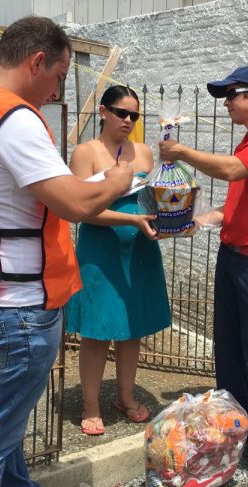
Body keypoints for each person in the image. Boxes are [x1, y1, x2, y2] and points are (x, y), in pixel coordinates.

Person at [0, 17, 132, 487]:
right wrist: (120, 181)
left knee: (4, 430)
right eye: (59, 77)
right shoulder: (12, 118)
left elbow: (13, 196)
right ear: (36, 61)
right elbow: (77, 205)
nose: (56, 90)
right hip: (17, 303)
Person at [159, 65, 248, 487]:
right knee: (231, 354)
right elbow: (238, 205)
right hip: (235, 259)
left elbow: (231, 171)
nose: (225, 103)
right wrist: (197, 220)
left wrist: (181, 153)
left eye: (231, 95)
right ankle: (243, 430)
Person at [65, 85, 171, 436]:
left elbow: (151, 204)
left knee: (132, 329)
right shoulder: (85, 152)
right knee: (97, 332)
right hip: (100, 252)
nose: (128, 120)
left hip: (140, 251)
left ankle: (124, 396)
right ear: (103, 111)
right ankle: (91, 403)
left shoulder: (143, 153)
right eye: (121, 112)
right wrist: (132, 221)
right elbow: (83, 210)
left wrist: (173, 219)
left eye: (134, 115)